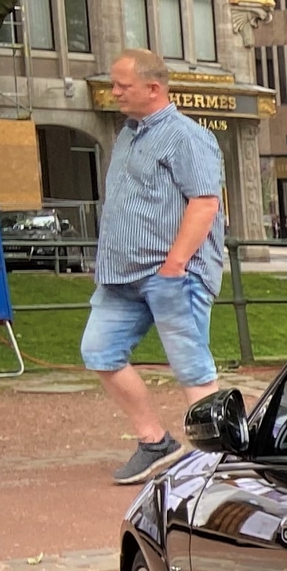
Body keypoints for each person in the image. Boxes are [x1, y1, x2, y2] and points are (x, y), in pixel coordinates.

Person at [84, 49, 225, 484]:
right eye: (114, 84)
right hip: (120, 275)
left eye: (123, 85)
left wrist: (174, 266)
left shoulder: (187, 136)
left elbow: (205, 202)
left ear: (154, 88)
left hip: (171, 273)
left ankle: (218, 456)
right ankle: (154, 442)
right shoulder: (127, 134)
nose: (115, 92)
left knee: (191, 365)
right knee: (99, 351)